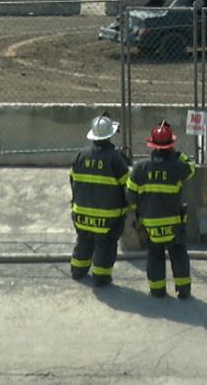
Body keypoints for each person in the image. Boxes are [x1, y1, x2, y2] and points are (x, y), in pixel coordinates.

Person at [127, 121, 196, 299]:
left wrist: (138, 212)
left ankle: (157, 290)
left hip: (149, 225)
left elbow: (130, 196)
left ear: (152, 145)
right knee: (179, 255)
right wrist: (178, 155)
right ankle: (183, 291)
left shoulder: (140, 168)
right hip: (174, 224)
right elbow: (191, 168)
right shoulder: (177, 166)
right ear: (170, 145)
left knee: (155, 256)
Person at [69, 113, 130, 287]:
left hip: (80, 214)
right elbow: (127, 187)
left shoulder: (81, 155)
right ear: (109, 135)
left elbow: (72, 180)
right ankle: (101, 277)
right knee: (105, 245)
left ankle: (77, 270)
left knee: (84, 240)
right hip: (108, 218)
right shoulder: (116, 159)